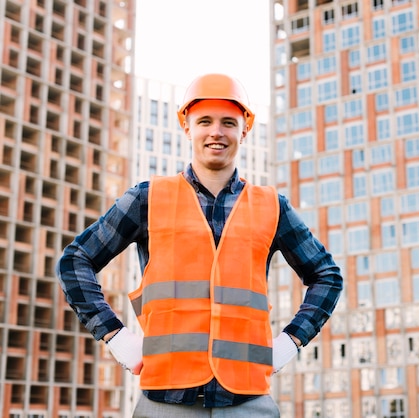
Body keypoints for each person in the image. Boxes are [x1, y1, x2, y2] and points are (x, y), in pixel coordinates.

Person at [56, 73, 343, 417]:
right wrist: (114, 336)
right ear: (187, 127)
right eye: (204, 121)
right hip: (165, 400)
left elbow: (326, 275)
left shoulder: (271, 206)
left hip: (248, 399)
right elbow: (75, 260)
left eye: (228, 123)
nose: (216, 132)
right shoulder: (148, 198)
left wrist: (291, 341)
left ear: (244, 130)